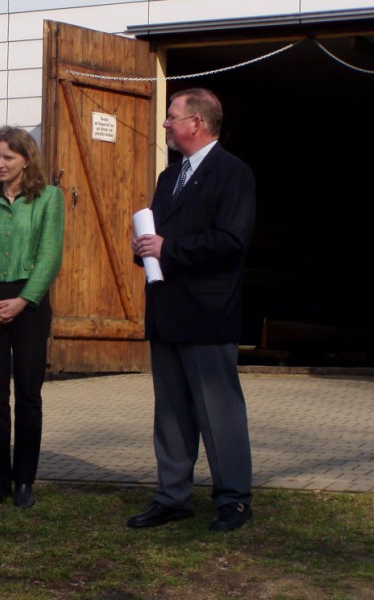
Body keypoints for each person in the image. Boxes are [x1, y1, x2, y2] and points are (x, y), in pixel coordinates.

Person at [129, 88, 255, 532]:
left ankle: (233, 500)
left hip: (208, 315)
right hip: (167, 312)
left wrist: (169, 248)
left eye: (172, 116)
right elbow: (163, 237)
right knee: (171, 414)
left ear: (197, 122)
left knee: (219, 414)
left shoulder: (233, 173)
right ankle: (172, 497)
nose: (165, 123)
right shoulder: (170, 176)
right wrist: (145, 248)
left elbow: (231, 241)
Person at [0, 126, 65, 509]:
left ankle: (24, 481)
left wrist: (23, 300)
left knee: (28, 394)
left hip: (29, 305)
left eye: (9, 157)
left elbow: (50, 254)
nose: (0, 163)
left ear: (26, 159)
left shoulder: (49, 198)